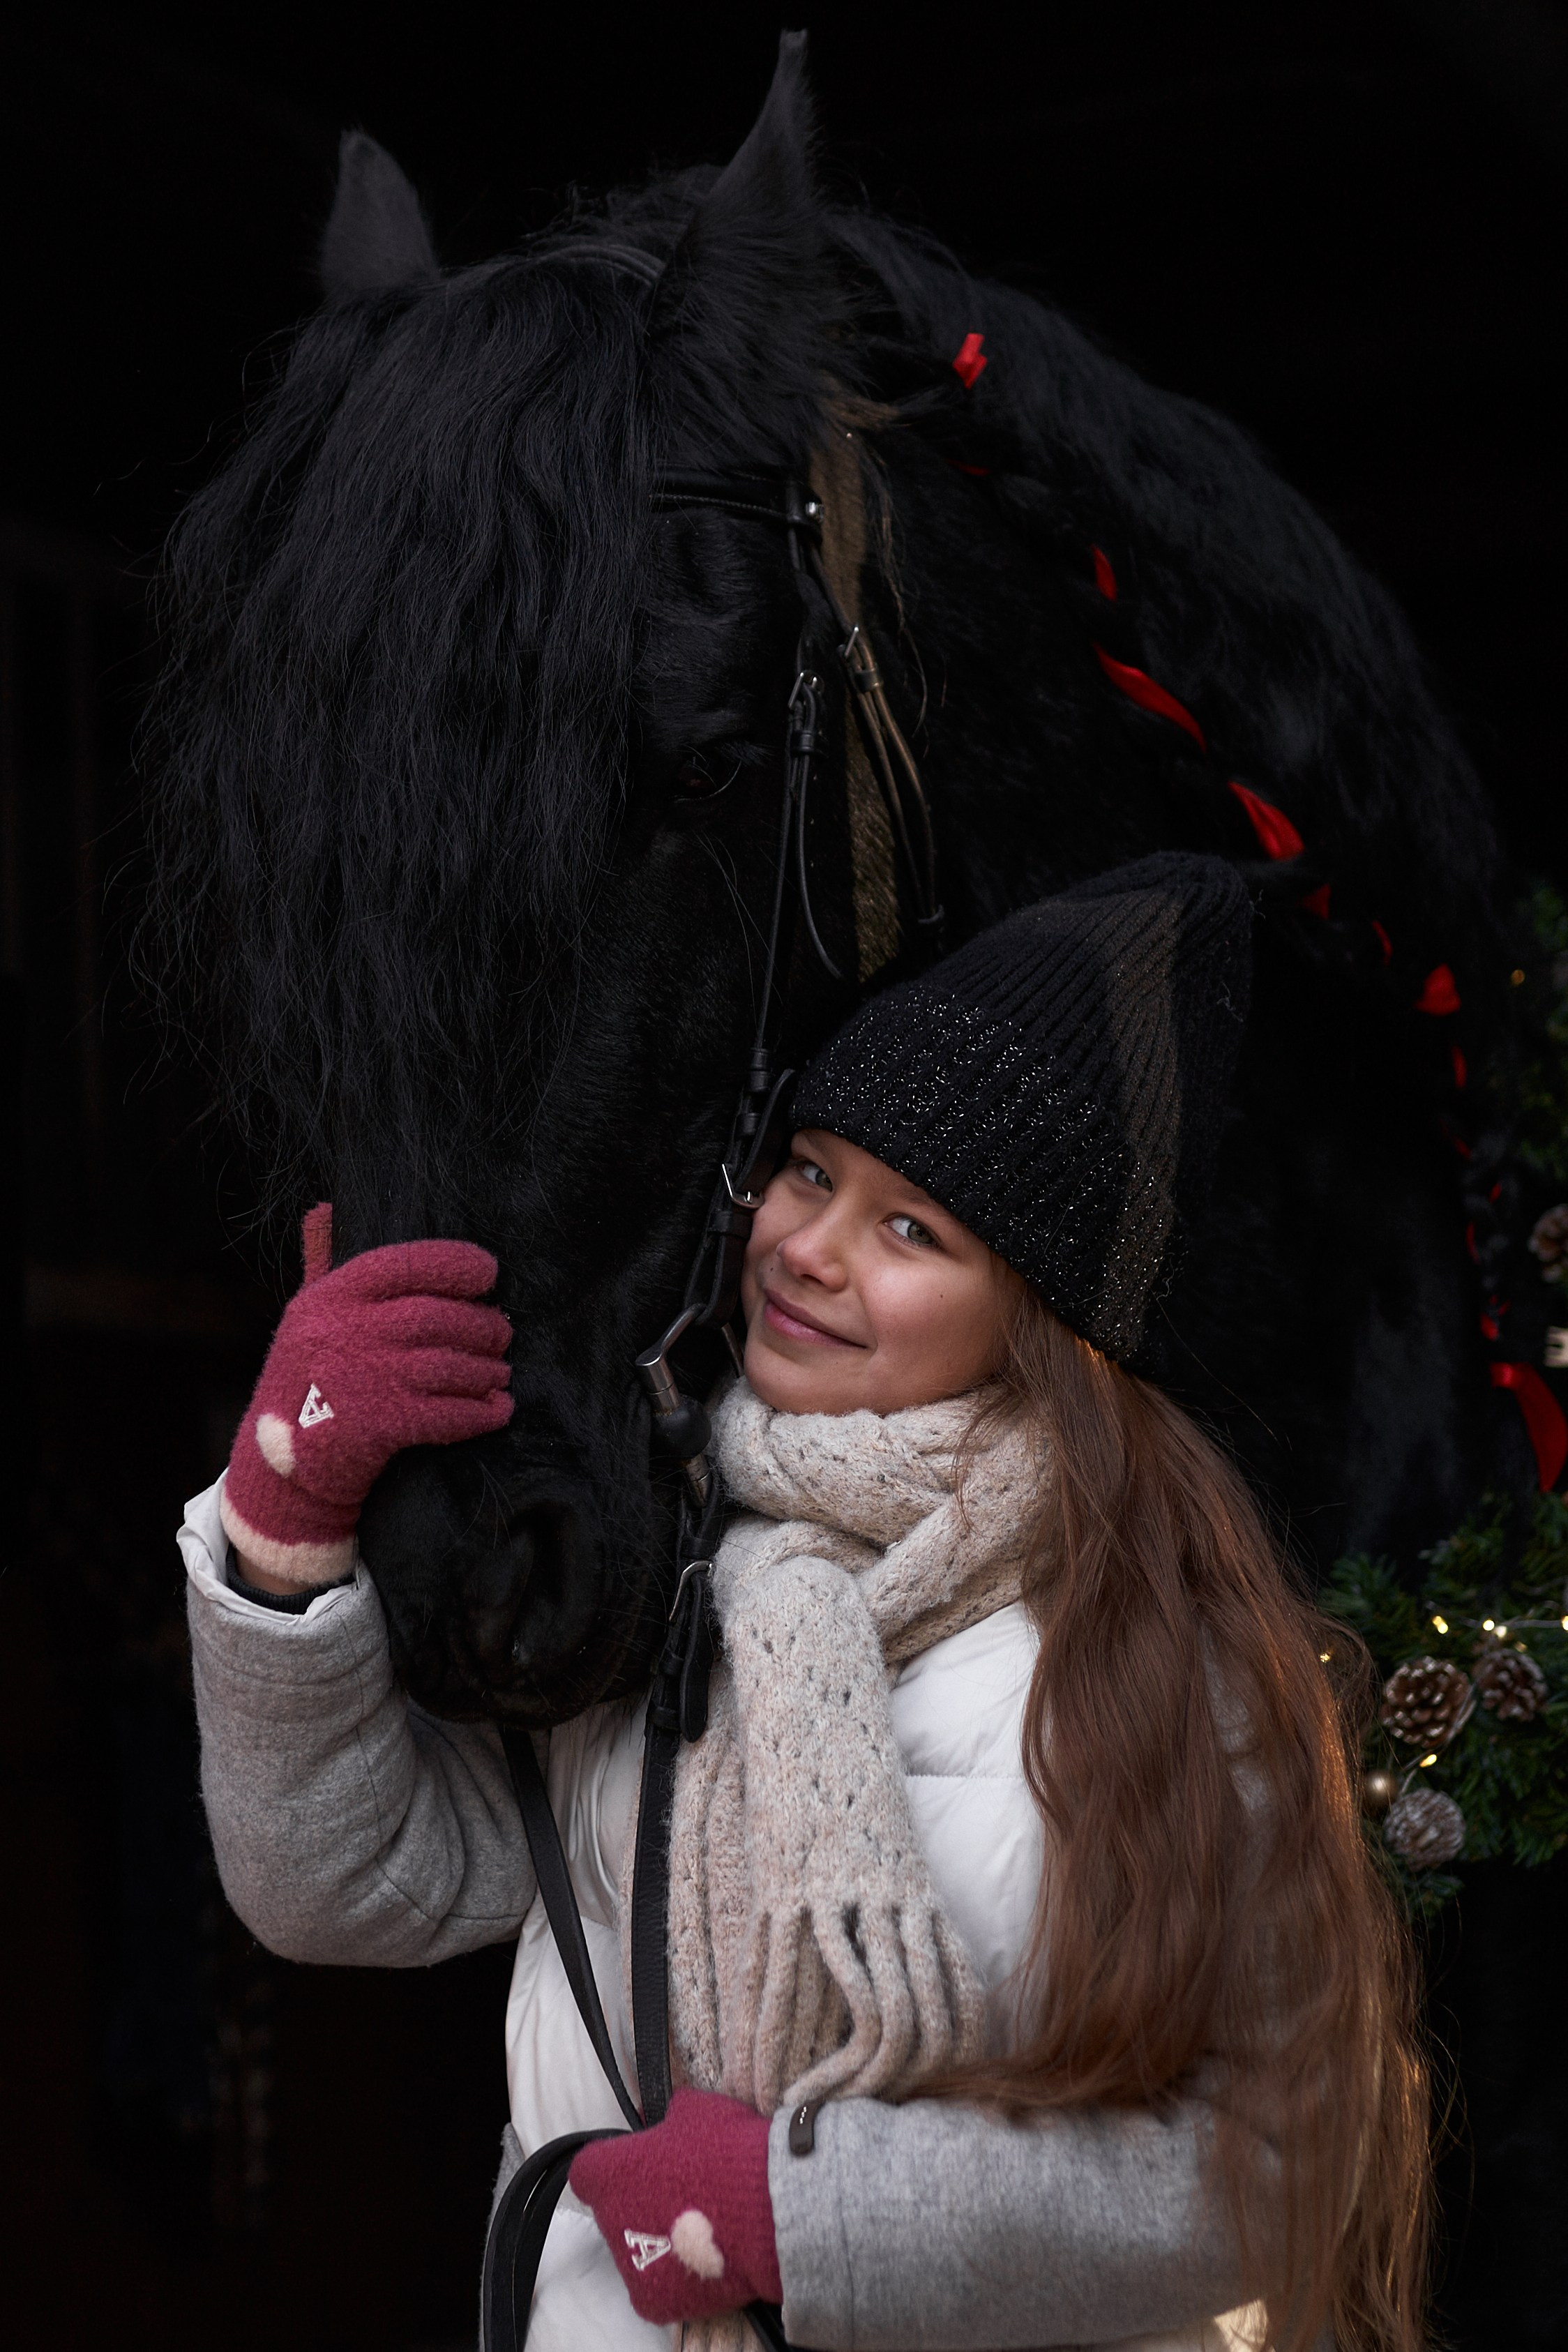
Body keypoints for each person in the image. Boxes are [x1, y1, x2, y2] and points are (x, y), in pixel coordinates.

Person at [183, 853, 1427, 2352]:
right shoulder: (645, 1574)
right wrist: (284, 1523)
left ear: (1043, 1320)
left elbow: (1267, 2176)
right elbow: (336, 1886)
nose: (811, 1248)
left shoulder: (1161, 1664)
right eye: (814, 1168)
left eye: (916, 1230)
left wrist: (799, 2218)